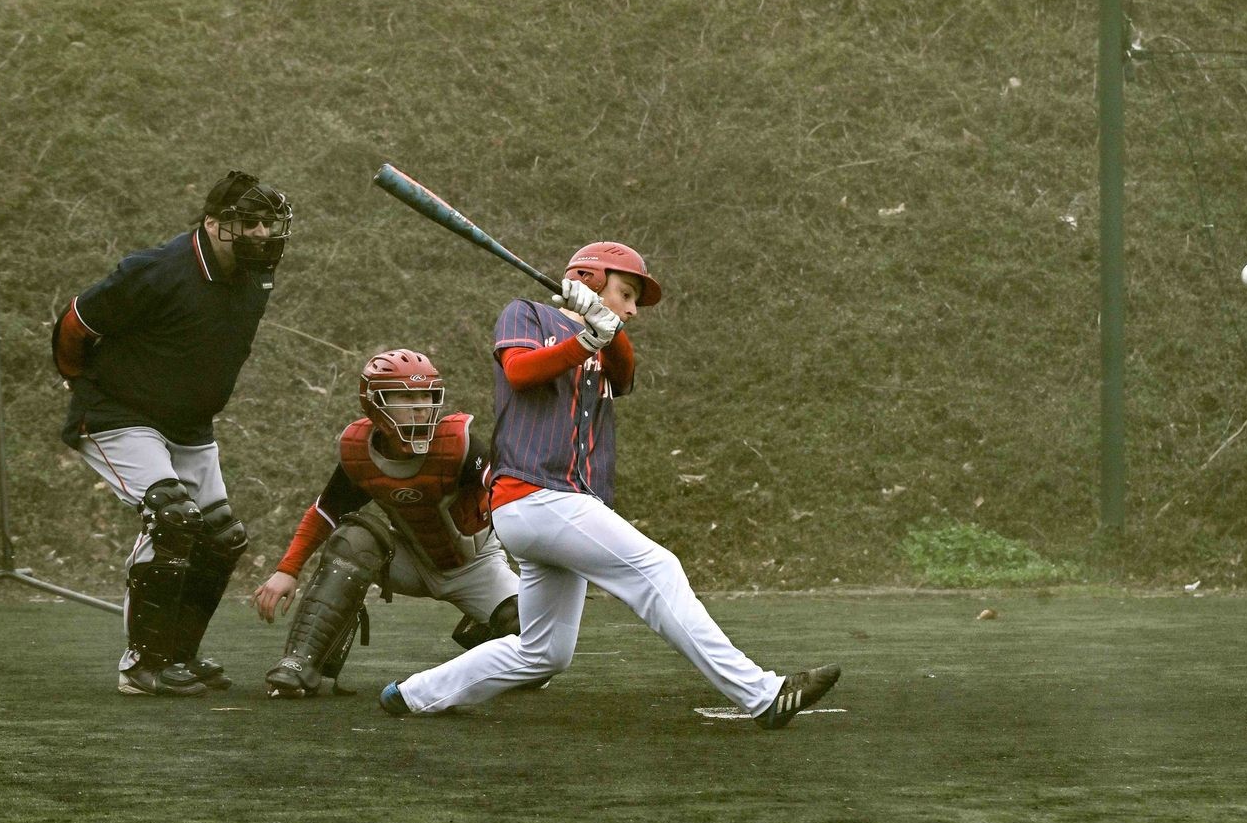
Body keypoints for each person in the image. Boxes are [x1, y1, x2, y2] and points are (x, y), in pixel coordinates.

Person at [379, 242, 840, 729]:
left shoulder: (604, 340)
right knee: (658, 568)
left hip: (555, 506)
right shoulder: (526, 313)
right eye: (626, 293)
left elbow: (625, 375)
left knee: (543, 652)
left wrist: (602, 327)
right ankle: (763, 695)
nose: (633, 309)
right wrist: (585, 338)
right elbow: (519, 371)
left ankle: (411, 694)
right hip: (536, 494)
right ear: (591, 280)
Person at [52, 169, 292, 697]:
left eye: (268, 223)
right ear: (214, 224)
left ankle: (178, 656)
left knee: (222, 537)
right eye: (249, 222)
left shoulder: (257, 273)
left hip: (188, 425)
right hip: (118, 414)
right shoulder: (156, 270)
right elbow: (76, 322)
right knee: (172, 517)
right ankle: (143, 666)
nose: (261, 233)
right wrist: (79, 382)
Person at [253, 349, 525, 698]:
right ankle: (299, 663)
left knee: (532, 645)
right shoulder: (360, 452)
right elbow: (325, 511)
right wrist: (287, 569)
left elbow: (508, 491)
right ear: (374, 403)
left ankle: (484, 632)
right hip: (411, 559)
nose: (421, 407)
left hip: (476, 564)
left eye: (426, 396)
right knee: (354, 540)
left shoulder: (459, 443)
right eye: (406, 397)